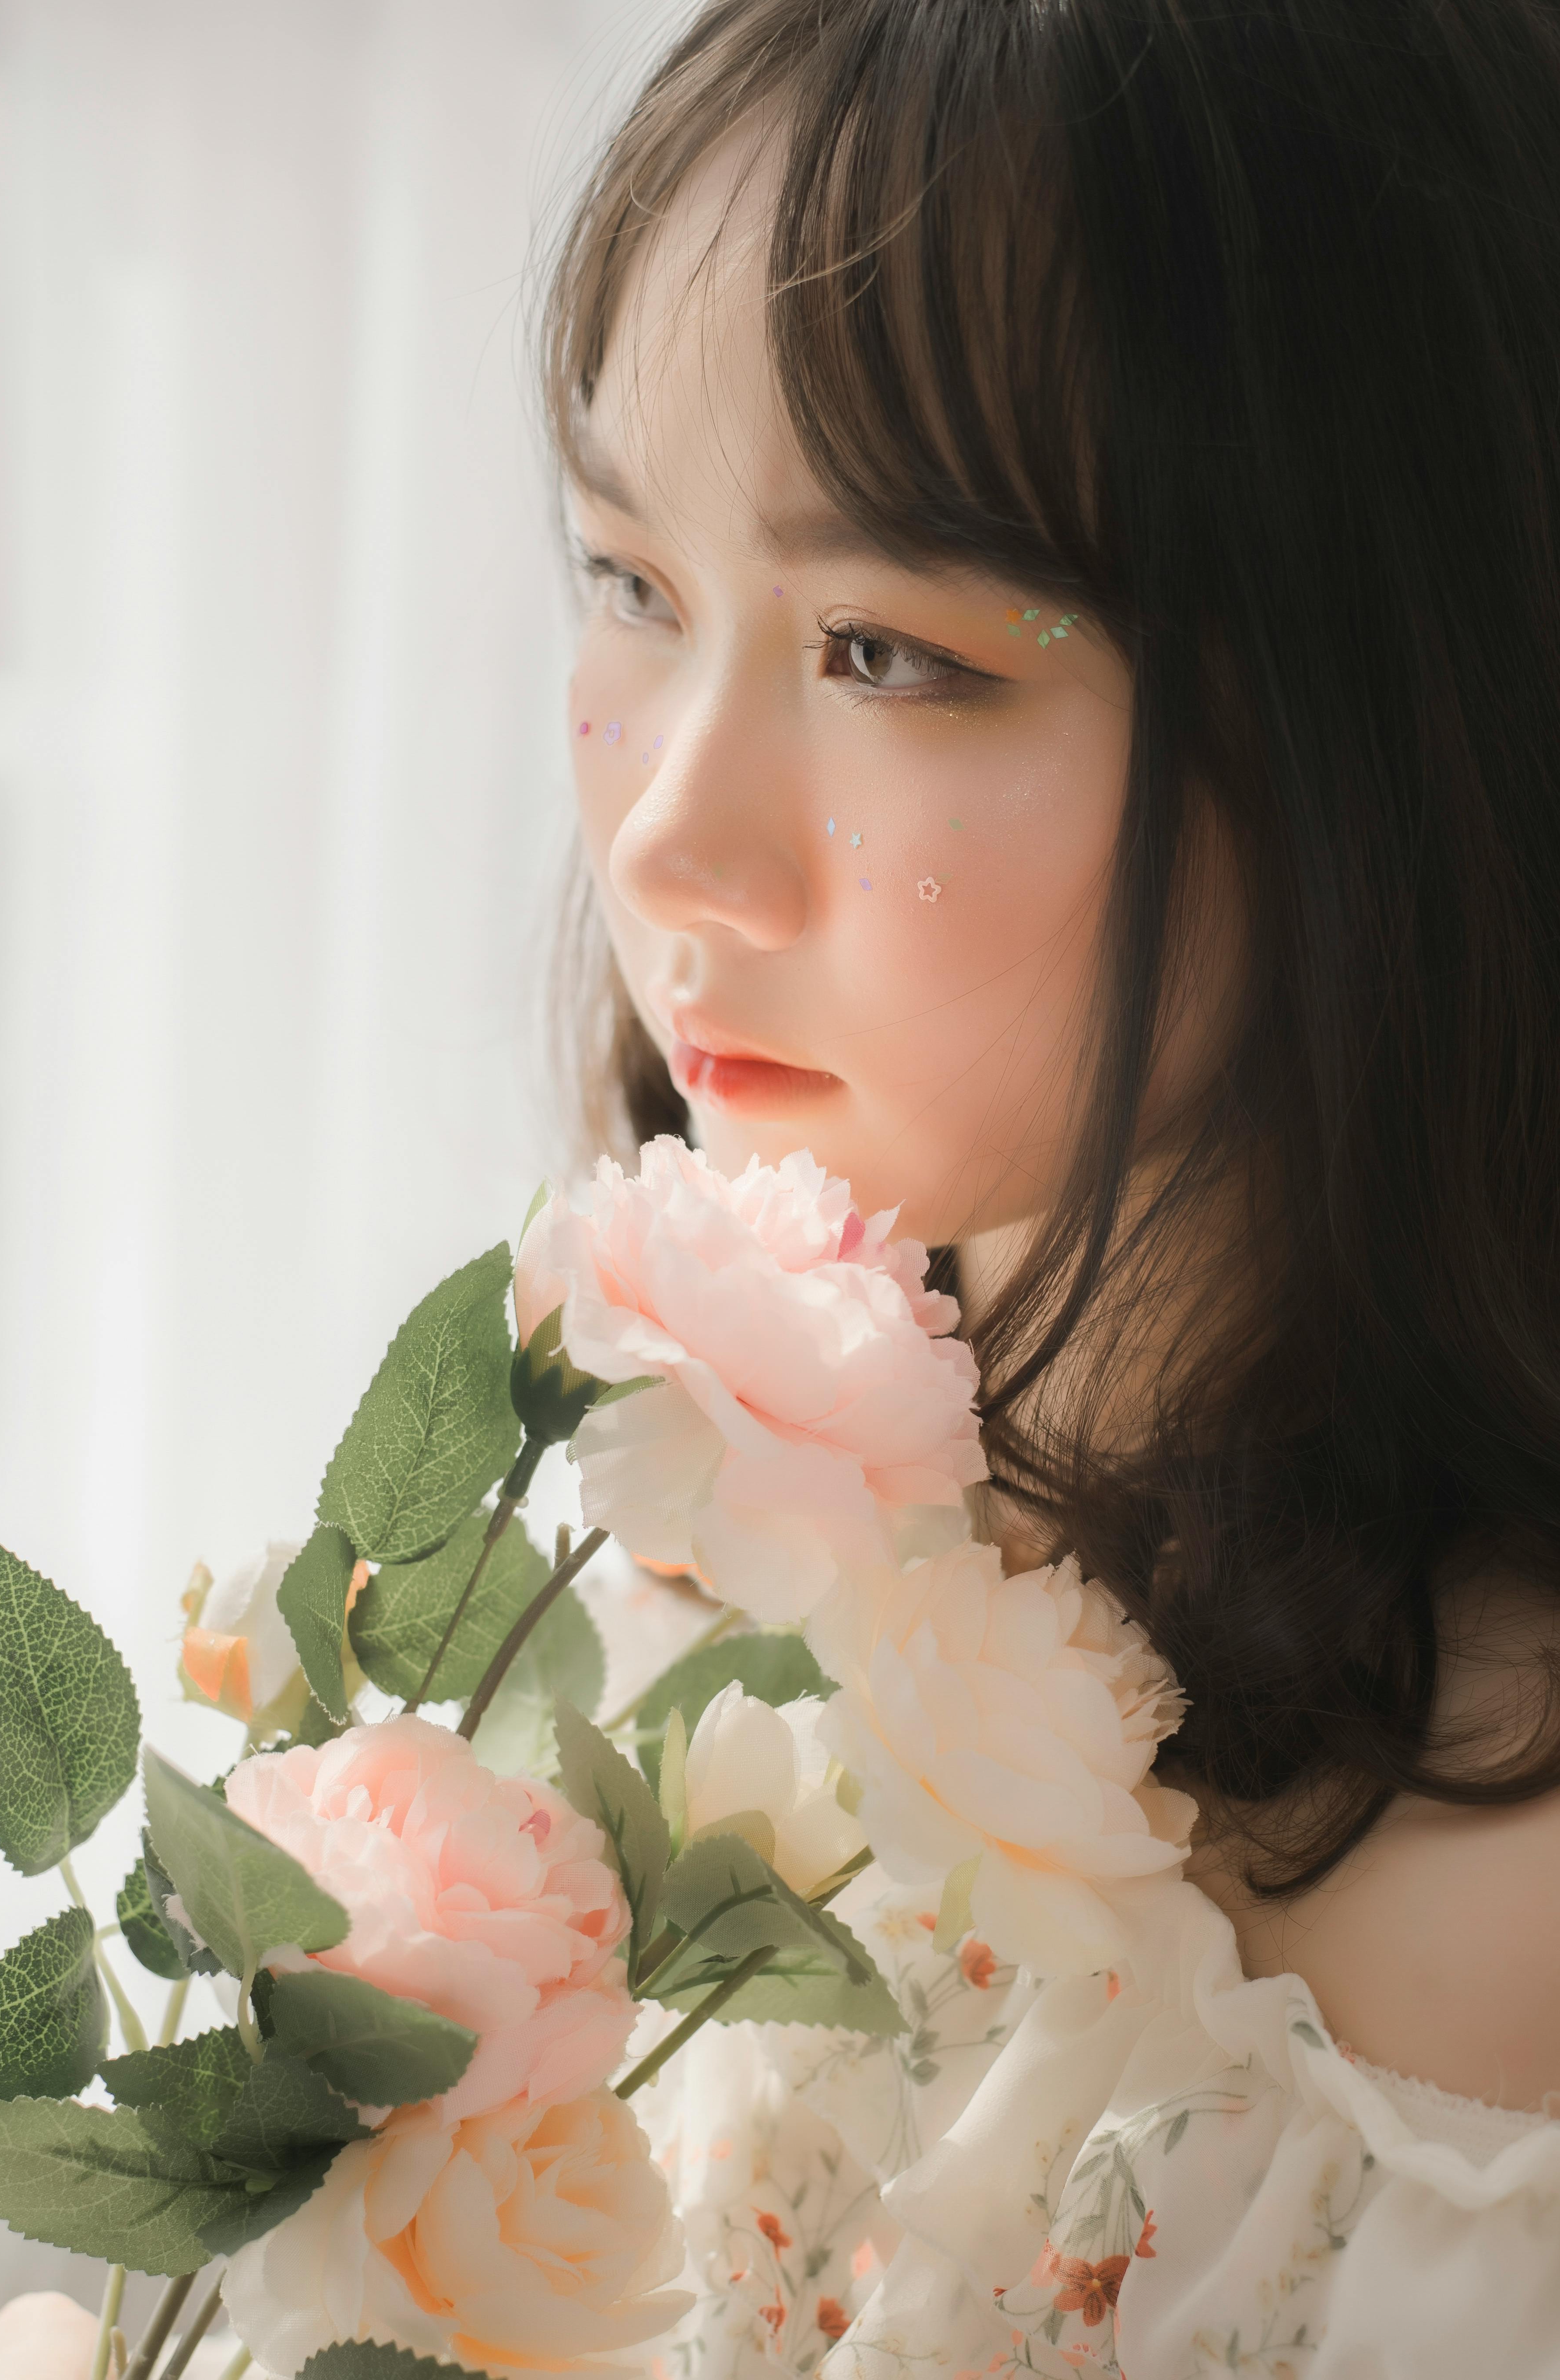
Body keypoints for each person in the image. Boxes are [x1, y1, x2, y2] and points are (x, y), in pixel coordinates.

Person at [543, 0, 1560, 2369]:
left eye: (882, 649)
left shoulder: (1496, 2015)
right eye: (626, 581)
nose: (669, 833)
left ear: (1373, 723)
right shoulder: (607, 1567)